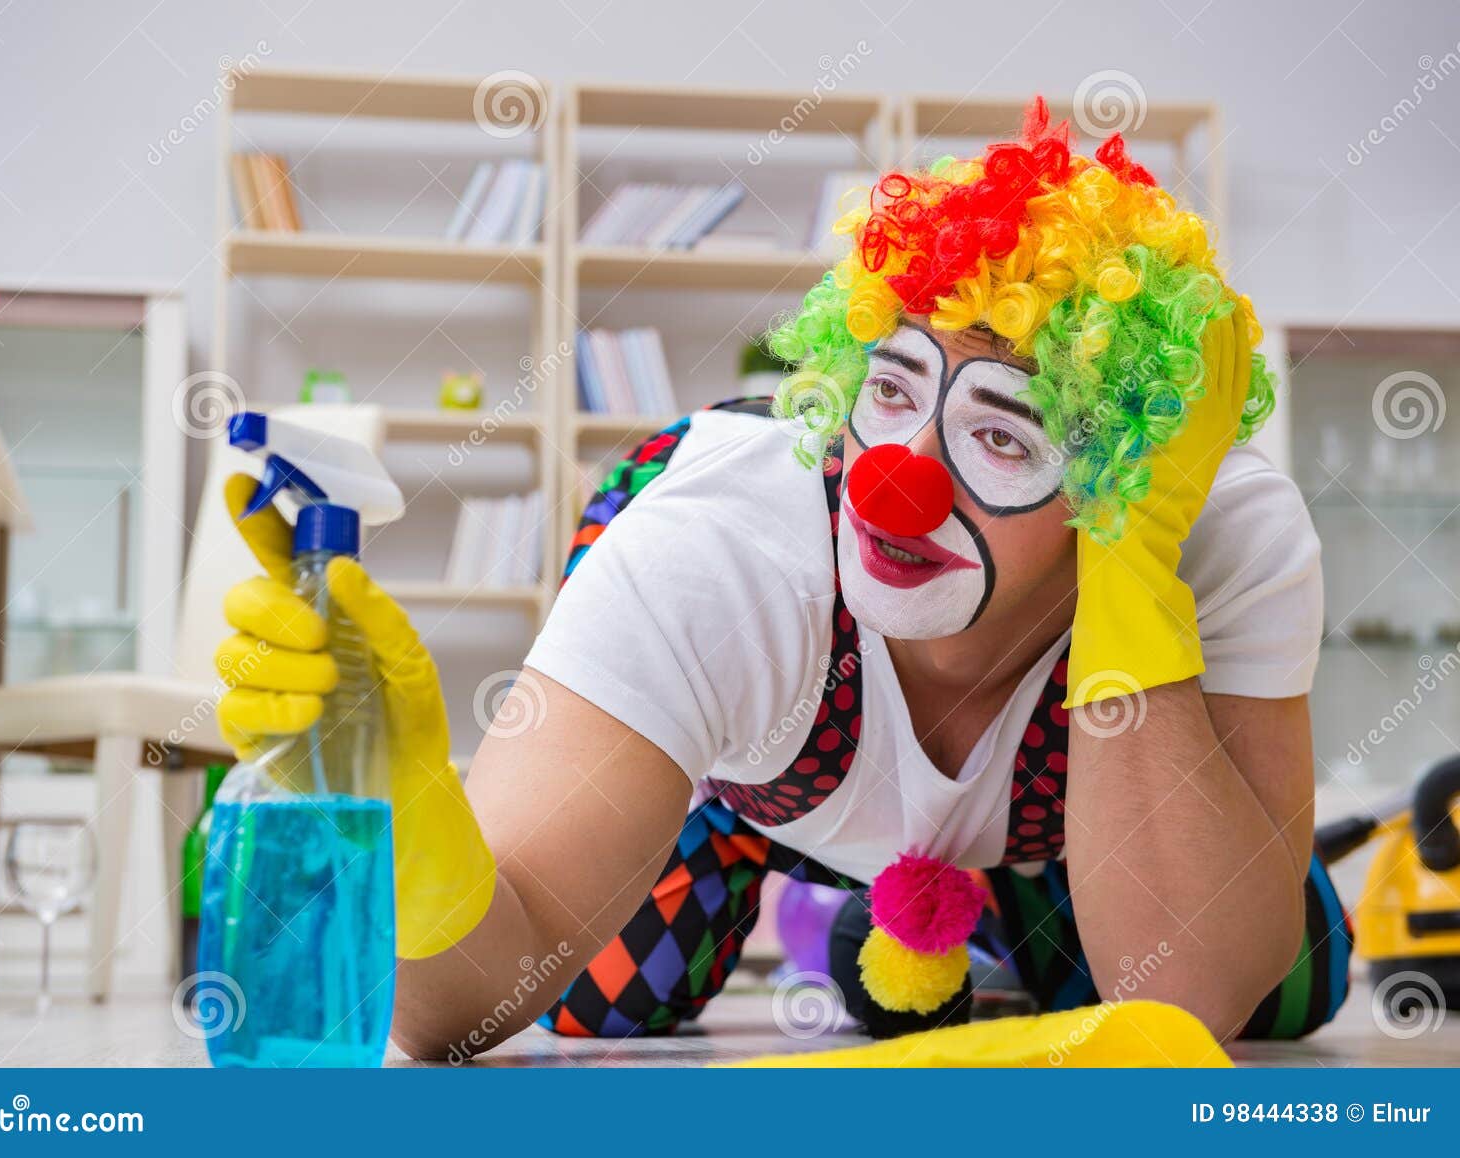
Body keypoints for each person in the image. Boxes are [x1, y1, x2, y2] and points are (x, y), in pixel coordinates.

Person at [214, 98, 1350, 1059]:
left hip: (1046, 823)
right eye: (890, 392)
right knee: (606, 999)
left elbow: (1195, 1000)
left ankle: (973, 907)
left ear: (1119, 478)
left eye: (1005, 441)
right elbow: (456, 1018)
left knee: (1290, 985)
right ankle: (725, 821)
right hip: (766, 776)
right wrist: (405, 811)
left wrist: (1136, 559)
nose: (893, 486)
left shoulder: (1216, 532)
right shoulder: (716, 549)